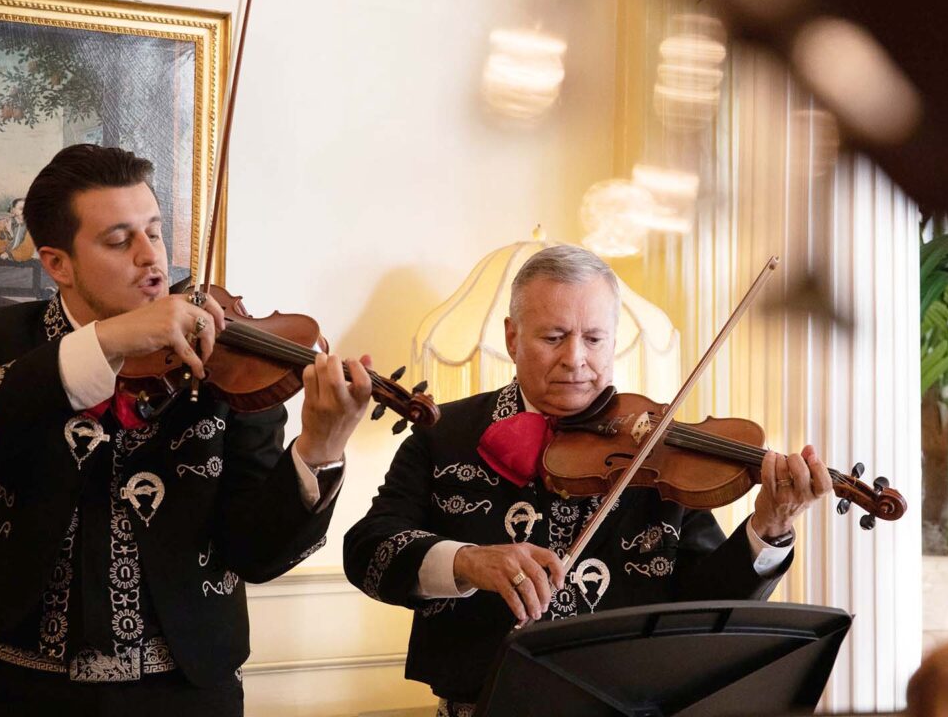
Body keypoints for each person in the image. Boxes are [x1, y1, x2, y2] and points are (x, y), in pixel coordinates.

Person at [0, 144, 372, 716]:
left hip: (187, 690)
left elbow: (257, 554)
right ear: (58, 263)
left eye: (154, 233)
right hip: (21, 686)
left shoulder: (230, 358)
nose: (150, 259)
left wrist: (321, 447)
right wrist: (106, 342)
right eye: (117, 241)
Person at [343, 244, 832, 713]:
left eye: (594, 339)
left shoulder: (659, 451)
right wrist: (467, 562)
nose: (575, 359)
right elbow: (367, 551)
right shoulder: (442, 434)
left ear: (612, 341)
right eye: (553, 337)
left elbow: (706, 609)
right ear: (513, 337)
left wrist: (769, 528)